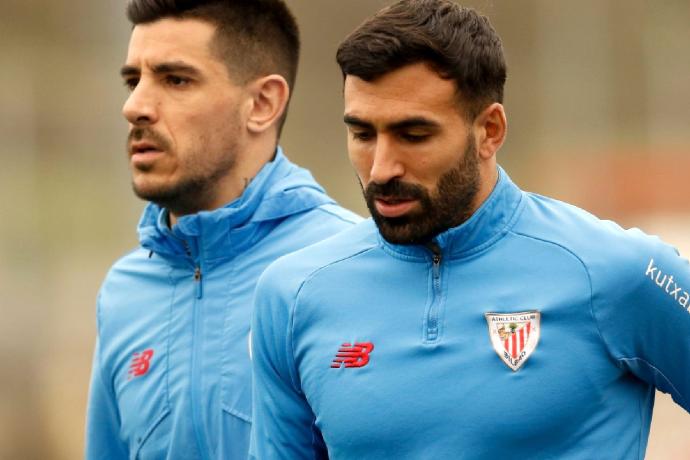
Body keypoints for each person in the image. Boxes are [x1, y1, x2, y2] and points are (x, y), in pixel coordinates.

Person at [249, 0, 690, 458]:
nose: (381, 168)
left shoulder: (617, 272)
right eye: (362, 134)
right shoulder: (294, 294)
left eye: (413, 135)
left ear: (490, 130)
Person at [84, 0, 360, 458]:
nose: (134, 107)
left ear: (262, 103)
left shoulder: (349, 266)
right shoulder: (123, 293)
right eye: (134, 81)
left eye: (175, 80)